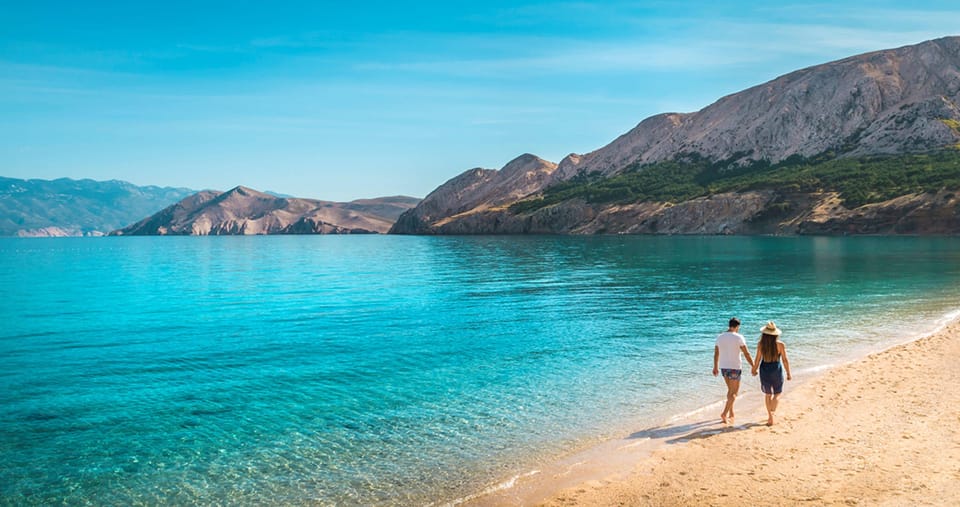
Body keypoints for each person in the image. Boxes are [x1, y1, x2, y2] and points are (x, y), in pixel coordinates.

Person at [713, 317, 755, 424]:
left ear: (729, 325)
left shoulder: (720, 337)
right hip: (735, 367)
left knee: (730, 391)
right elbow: (746, 353)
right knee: (734, 392)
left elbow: (716, 353)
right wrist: (753, 366)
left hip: (724, 367)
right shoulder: (739, 337)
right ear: (737, 327)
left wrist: (715, 367)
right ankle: (724, 413)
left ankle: (731, 412)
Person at [751, 321, 792, 426]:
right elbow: (785, 360)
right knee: (777, 393)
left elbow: (757, 359)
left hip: (764, 370)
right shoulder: (780, 345)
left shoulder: (761, 344)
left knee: (767, 394)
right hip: (776, 370)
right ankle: (773, 411)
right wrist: (788, 373)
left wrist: (754, 369)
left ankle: (770, 417)